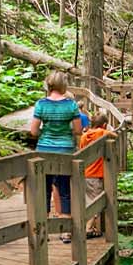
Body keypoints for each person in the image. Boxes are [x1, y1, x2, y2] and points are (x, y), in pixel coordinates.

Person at [28, 72, 84, 233]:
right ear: (63, 86)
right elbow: (78, 130)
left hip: (44, 149)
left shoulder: (41, 104)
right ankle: (66, 231)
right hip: (65, 149)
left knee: (44, 188)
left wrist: (45, 134)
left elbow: (33, 131)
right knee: (65, 188)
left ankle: (43, 229)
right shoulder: (71, 105)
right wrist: (65, 132)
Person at [76, 114, 114, 238]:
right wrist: (105, 130)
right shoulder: (100, 133)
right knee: (96, 202)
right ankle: (87, 229)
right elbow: (115, 135)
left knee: (87, 201)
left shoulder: (84, 136)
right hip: (96, 174)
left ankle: (90, 226)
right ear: (103, 125)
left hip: (84, 172)